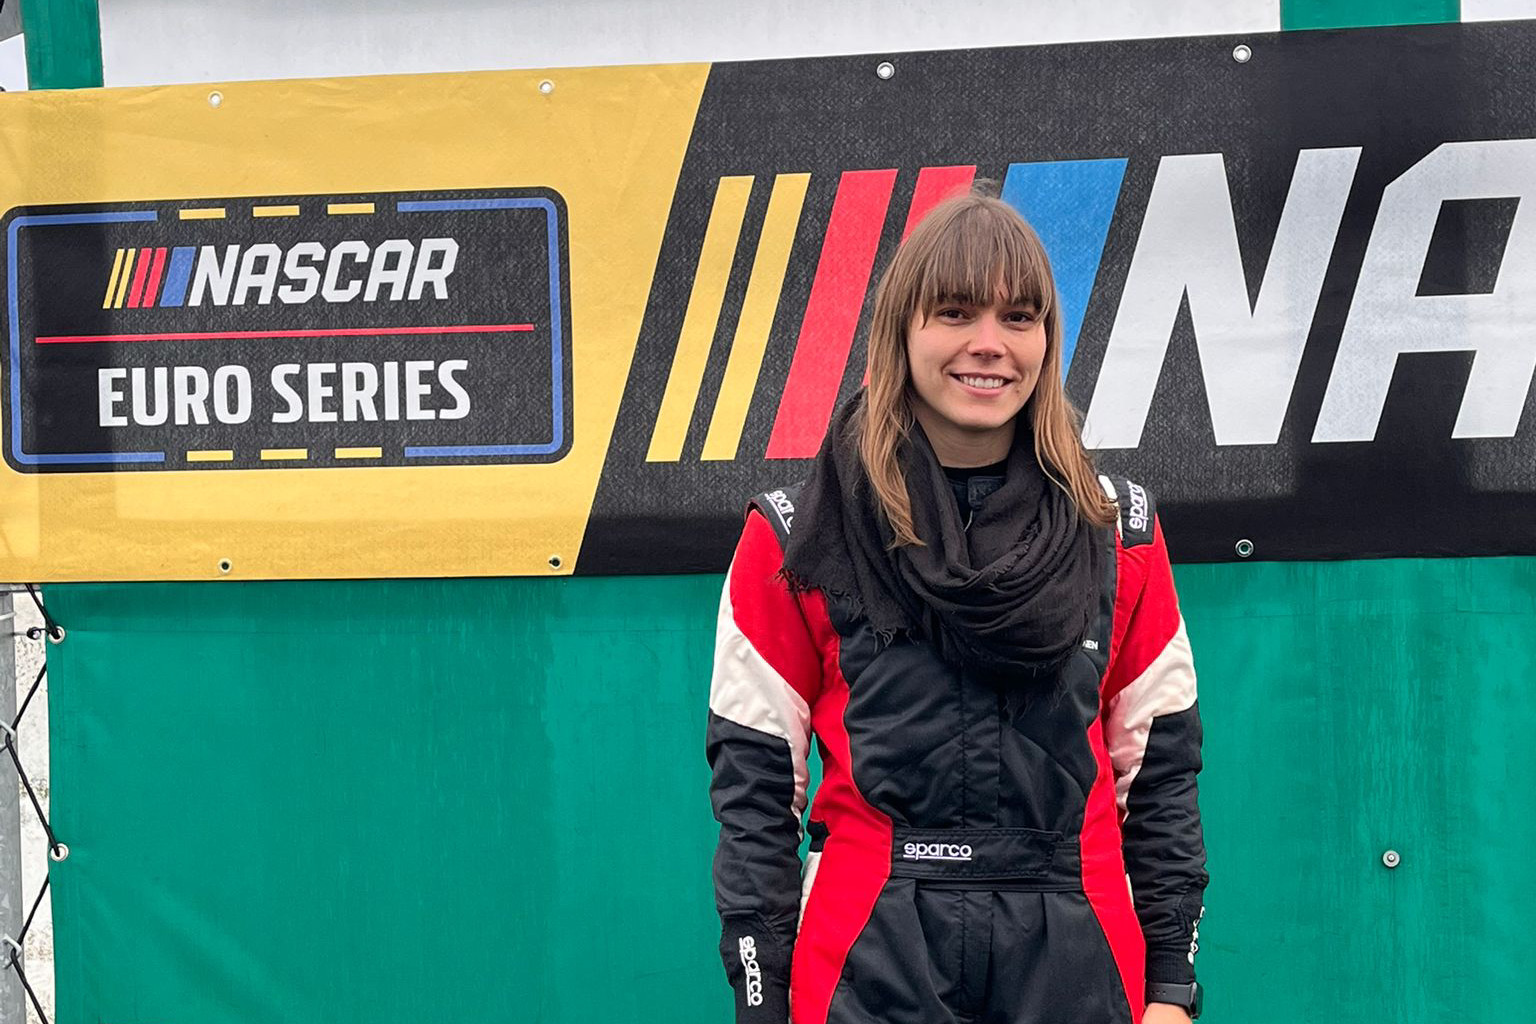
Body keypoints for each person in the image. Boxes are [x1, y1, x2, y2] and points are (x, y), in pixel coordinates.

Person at [706, 190, 1207, 1024]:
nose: (989, 345)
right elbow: (755, 790)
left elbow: (1159, 780)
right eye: (954, 312)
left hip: (1077, 948)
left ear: (1048, 342)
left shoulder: (1120, 533)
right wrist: (762, 996)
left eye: (1019, 317)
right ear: (902, 331)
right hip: (869, 945)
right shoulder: (799, 534)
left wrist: (1170, 991)